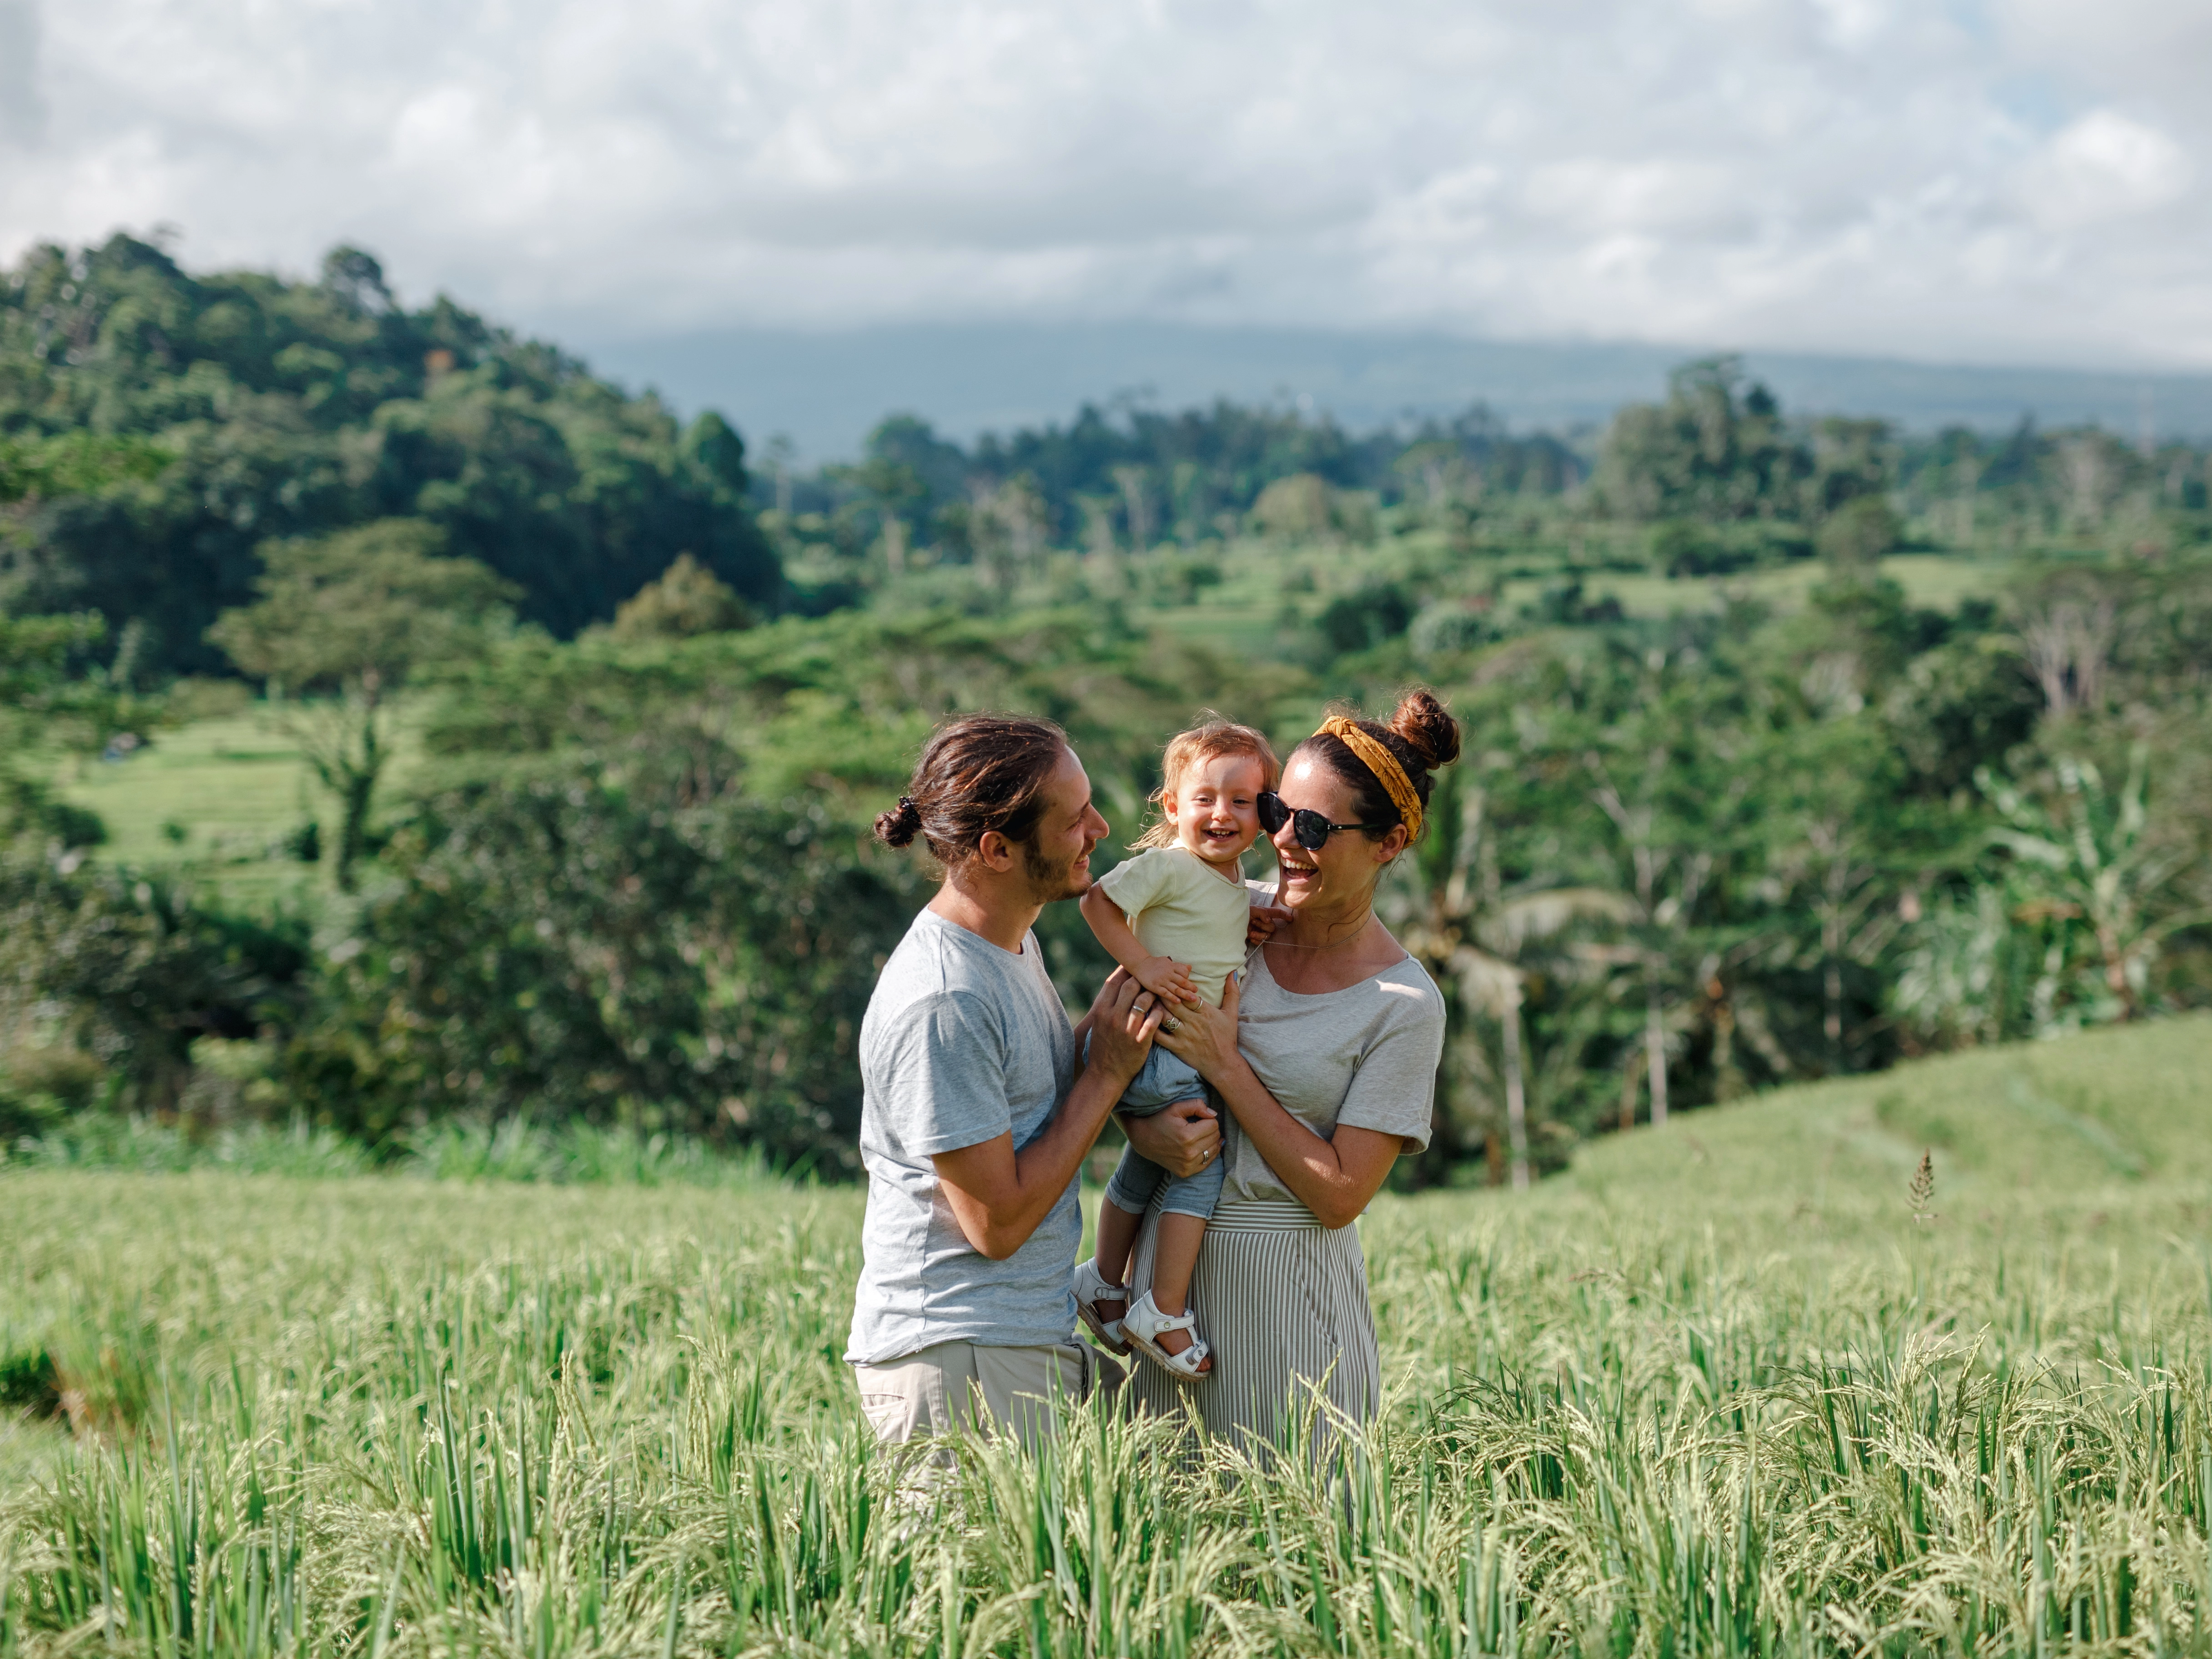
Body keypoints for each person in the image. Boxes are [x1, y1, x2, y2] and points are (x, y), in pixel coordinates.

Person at [844, 714, 1216, 1450]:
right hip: (961, 1355)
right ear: (997, 849)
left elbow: (1038, 1095)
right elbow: (997, 1224)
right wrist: (1107, 1074)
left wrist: (1130, 1020)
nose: (1102, 829)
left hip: (1010, 1340)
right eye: (1075, 819)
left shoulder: (1010, 945)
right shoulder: (945, 999)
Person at [1123, 689, 1459, 1448]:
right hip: (1162, 1295)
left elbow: (1341, 1195)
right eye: (1277, 813)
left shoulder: (1403, 1004)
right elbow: (1110, 1041)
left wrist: (1225, 1065)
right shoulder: (1222, 910)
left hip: (1290, 1293)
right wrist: (1142, 1130)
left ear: (1390, 842)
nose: (1283, 842)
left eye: (1313, 827)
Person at [1071, 719, 1280, 1382]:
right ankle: (1161, 1307)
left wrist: (1250, 920)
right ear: (1172, 807)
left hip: (1169, 1046)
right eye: (1205, 799)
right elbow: (1097, 903)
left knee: (1145, 1162)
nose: (1222, 814)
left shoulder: (1225, 882)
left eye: (1242, 802)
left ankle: (1103, 1280)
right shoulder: (1169, 865)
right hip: (1161, 1043)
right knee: (1201, 1165)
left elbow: (1210, 924)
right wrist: (1145, 964)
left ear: (1265, 813)